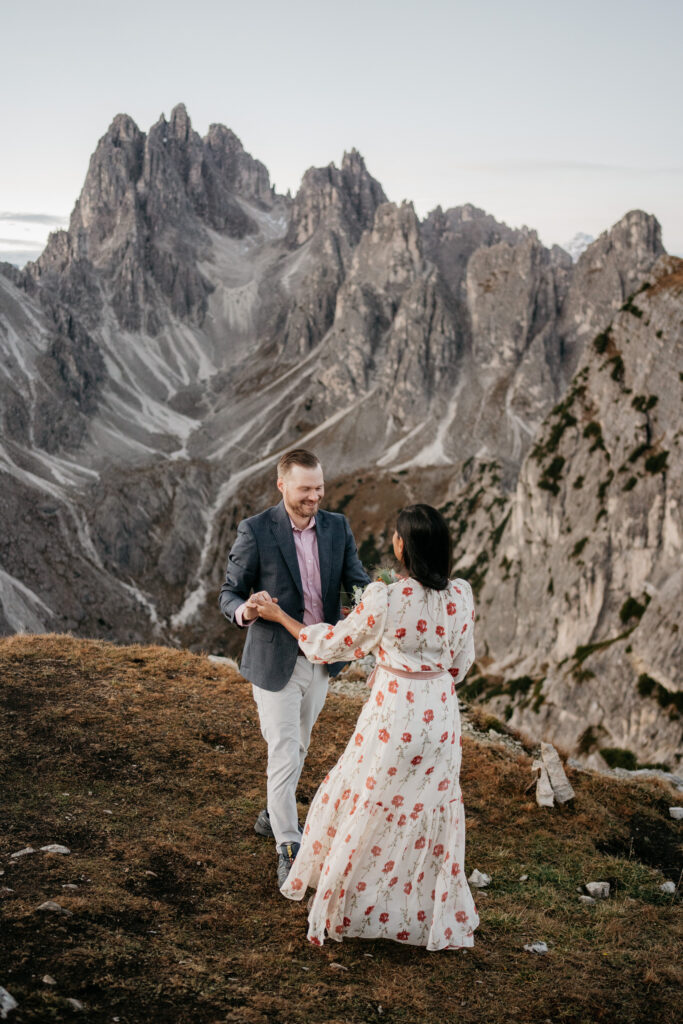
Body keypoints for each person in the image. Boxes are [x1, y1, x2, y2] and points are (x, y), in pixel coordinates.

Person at [255, 503, 479, 950]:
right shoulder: (461, 594)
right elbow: (462, 661)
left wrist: (280, 617)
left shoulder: (386, 597)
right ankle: (417, 906)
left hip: (393, 717)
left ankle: (354, 897)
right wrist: (430, 681)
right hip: (442, 721)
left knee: (373, 799)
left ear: (402, 545)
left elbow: (331, 645)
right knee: (424, 808)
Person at [218, 448, 370, 888]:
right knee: (285, 748)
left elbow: (356, 582)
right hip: (273, 660)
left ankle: (271, 813)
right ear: (282, 485)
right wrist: (246, 611)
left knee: (299, 746)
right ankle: (289, 843)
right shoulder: (255, 530)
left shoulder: (338, 527)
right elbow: (229, 592)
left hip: (321, 662)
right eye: (305, 489)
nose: (315, 497)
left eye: (319, 487)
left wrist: (380, 599)